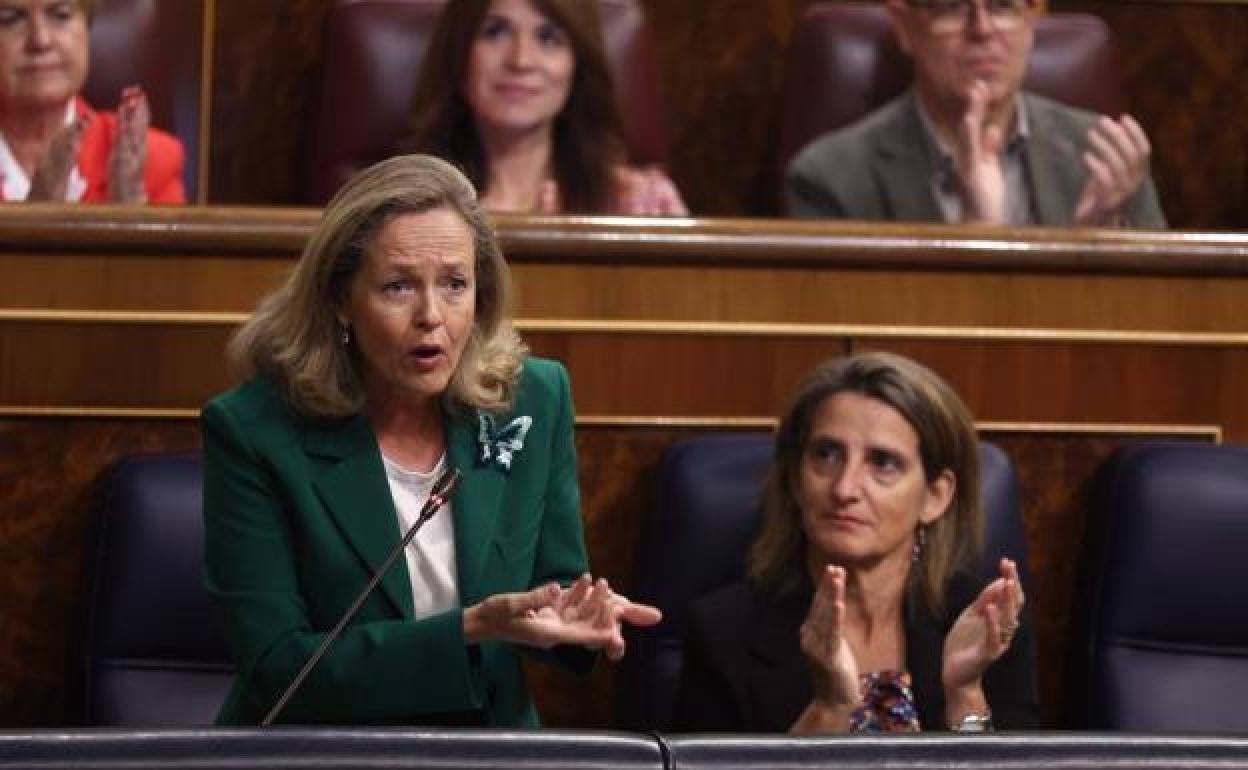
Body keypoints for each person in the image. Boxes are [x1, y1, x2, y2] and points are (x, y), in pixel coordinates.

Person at [202, 153, 660, 726]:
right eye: (398, 286)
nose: (431, 316)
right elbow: (278, 671)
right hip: (322, 752)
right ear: (341, 299)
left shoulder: (533, 401)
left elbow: (553, 578)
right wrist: (470, 628)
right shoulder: (255, 432)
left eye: (454, 284)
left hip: (487, 752)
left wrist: (575, 613)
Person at [673, 352, 1038, 733]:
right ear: (797, 479)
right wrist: (829, 707)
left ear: (935, 496)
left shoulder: (986, 622)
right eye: (826, 455)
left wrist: (965, 692)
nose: (844, 488)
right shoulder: (724, 631)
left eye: (882, 463)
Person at [785, 0, 1165, 228]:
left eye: (1002, 5)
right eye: (952, 6)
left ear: (1034, 15)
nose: (982, 29)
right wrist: (977, 238)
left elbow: (1161, 319)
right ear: (904, 24)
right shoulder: (830, 178)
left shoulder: (1106, 160)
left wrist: (1096, 250)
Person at [407, 0, 685, 216]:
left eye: (548, 38)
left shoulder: (636, 202)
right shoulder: (404, 202)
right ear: (458, 51)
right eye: (495, 32)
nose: (521, 60)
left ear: (577, 67)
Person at [0, 0, 184, 203]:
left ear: (87, 28)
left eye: (60, 15)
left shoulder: (153, 161)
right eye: (9, 20)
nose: (41, 40)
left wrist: (130, 218)